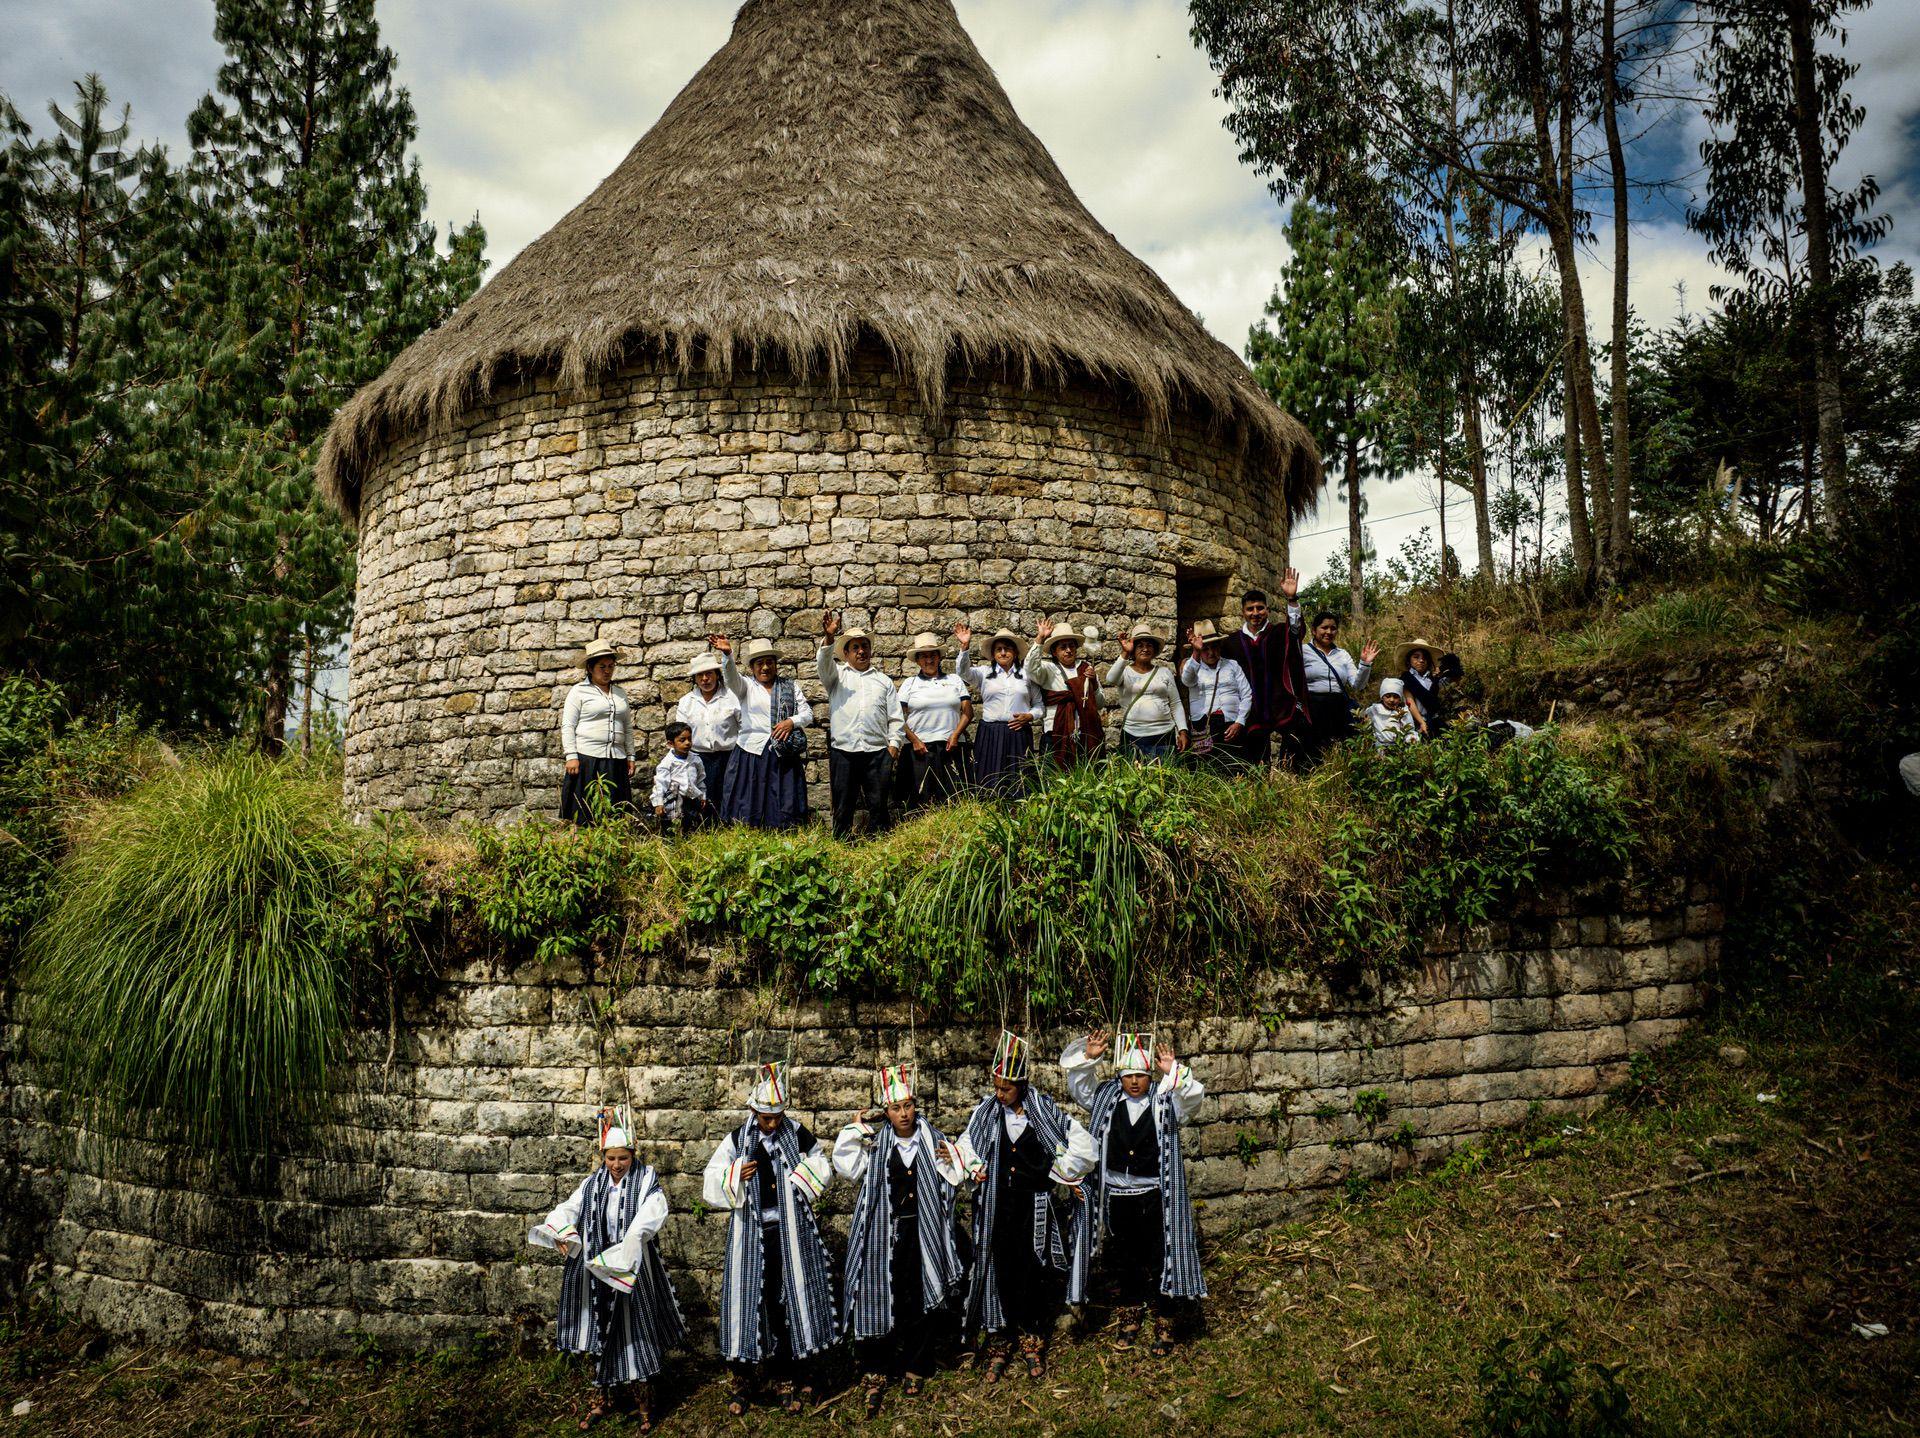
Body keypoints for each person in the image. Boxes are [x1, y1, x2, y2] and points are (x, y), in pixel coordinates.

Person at [955, 1031, 1096, 1382]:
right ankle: (1000, 1341)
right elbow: (967, 1147)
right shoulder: (986, 1113)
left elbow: (1080, 1145)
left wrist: (1063, 1176)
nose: (999, 1094)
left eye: (1006, 1089)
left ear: (1022, 1084)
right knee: (999, 1268)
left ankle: (1033, 1338)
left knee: (1033, 1269)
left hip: (1034, 1208)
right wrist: (972, 1165)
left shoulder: (1044, 1112)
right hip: (997, 1207)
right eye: (996, 1087)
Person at [531, 1111, 684, 1432]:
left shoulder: (645, 1180)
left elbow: (653, 1212)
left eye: (623, 1158)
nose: (617, 1164)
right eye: (611, 1158)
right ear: (603, 1157)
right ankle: (601, 1400)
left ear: (633, 1155)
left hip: (631, 1268)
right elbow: (569, 1209)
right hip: (595, 1269)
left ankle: (644, 1404)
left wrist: (629, 1243)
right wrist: (562, 1231)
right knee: (597, 1331)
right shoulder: (592, 1184)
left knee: (634, 1331)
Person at [702, 1063, 838, 1415]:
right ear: (754, 1111)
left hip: (790, 1234)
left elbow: (821, 1163)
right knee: (747, 1300)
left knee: (790, 1300)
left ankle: (789, 1374)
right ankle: (744, 1378)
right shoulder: (737, 1140)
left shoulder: (797, 1134)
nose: (773, 1124)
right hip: (751, 1235)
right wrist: (735, 1175)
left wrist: (804, 1174)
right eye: (766, 1118)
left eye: (777, 1116)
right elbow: (711, 1178)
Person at [833, 1065, 970, 1416]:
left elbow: (956, 1173)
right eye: (896, 1108)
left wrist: (955, 1161)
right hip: (884, 1233)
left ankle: (915, 1365)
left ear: (915, 1105)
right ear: (886, 1112)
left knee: (918, 1295)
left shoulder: (932, 1138)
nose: (904, 1114)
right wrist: (853, 1131)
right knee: (879, 1294)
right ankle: (876, 1369)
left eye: (908, 1106)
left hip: (922, 1232)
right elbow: (847, 1167)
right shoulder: (876, 1144)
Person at [1060, 1032, 1206, 1357]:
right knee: (1125, 1257)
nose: (1135, 1082)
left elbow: (1191, 1101)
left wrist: (1174, 1073)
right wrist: (1089, 1059)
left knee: (1158, 1255)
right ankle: (1130, 1314)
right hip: (1118, 1197)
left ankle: (1166, 1318)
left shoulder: (1163, 1099)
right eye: (1129, 1076)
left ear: (1149, 1076)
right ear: (1120, 1077)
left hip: (1154, 1196)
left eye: (1141, 1075)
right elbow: (1080, 1089)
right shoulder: (1107, 1099)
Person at [818, 612, 905, 839]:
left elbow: (895, 717)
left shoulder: (883, 681)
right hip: (844, 752)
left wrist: (894, 746)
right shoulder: (835, 677)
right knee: (843, 804)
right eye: (855, 647)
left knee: (879, 805)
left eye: (864, 646)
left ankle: (880, 848)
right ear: (845, 653)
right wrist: (828, 638)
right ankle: (841, 847)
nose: (861, 651)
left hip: (877, 752)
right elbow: (823, 663)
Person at [712, 635, 812, 830]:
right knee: (749, 799)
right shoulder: (745, 686)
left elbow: (807, 713)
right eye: (760, 663)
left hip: (783, 752)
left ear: (775, 664)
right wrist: (727, 654)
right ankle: (750, 835)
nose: (765, 667)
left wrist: (791, 721)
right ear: (752, 667)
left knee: (783, 798)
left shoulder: (789, 687)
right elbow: (730, 676)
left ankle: (782, 833)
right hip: (751, 752)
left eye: (769, 662)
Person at [1218, 575, 1310, 768]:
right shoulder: (1232, 642)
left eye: (1260, 608)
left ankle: (1290, 785)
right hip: (1251, 707)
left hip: (1280, 702)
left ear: (1267, 610)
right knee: (1256, 762)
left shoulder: (1279, 632)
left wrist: (1292, 599)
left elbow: (1296, 630)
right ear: (1242, 612)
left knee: (1294, 749)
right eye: (1250, 609)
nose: (1255, 613)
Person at [955, 623, 1042, 795]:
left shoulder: (1027, 676)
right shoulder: (983, 674)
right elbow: (963, 672)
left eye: (1007, 649)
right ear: (993, 654)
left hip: (1018, 732)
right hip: (991, 733)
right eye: (999, 649)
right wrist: (964, 646)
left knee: (1019, 780)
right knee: (989, 779)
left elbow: (1040, 706)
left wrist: (1030, 716)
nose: (1003, 652)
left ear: (1015, 652)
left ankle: (1019, 813)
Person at [560, 636, 635, 823]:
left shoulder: (619, 693)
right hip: (588, 759)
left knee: (615, 812)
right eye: (602, 666)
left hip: (616, 759)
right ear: (590, 668)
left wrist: (631, 756)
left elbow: (627, 726)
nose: (607, 671)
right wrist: (571, 756)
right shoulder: (578, 691)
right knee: (585, 812)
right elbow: (568, 725)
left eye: (611, 666)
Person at [895, 632, 973, 812]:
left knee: (954, 798)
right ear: (917, 660)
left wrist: (955, 735)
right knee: (919, 800)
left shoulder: (954, 680)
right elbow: (897, 716)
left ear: (939, 657)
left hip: (950, 747)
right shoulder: (910, 683)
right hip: (919, 750)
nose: (928, 660)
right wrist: (914, 740)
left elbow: (967, 712)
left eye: (932, 655)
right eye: (923, 656)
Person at [1300, 613, 1379, 766]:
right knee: (1312, 751)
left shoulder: (1343, 654)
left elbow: (1358, 685)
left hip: (1338, 708)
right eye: (1324, 627)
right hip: (1312, 707)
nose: (1329, 632)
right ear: (1314, 630)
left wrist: (1365, 664)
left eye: (1333, 628)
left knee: (1339, 748)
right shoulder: (1303, 651)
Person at [1106, 623, 1189, 761]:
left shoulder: (1164, 672)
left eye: (1149, 645)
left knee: (1165, 778)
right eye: (1140, 646)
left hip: (1164, 734)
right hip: (1134, 734)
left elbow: (1175, 703)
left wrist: (1183, 730)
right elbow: (1110, 679)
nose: (1145, 649)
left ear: (1154, 649)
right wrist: (1125, 652)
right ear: (1133, 649)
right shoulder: (1124, 672)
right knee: (1134, 779)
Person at [1028, 620, 1105, 767]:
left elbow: (1100, 703)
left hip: (1084, 734)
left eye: (1071, 646)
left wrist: (1094, 684)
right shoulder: (1047, 669)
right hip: (1055, 734)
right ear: (1054, 652)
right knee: (1055, 778)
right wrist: (1039, 639)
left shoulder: (1086, 668)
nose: (1068, 650)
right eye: (1063, 647)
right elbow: (1030, 669)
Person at [675, 651, 740, 818]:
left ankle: (729, 829)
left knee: (729, 796)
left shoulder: (731, 697)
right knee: (702, 799)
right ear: (695, 679)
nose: (705, 678)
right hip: (698, 757)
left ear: (717, 675)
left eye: (709, 673)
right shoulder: (687, 702)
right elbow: (680, 734)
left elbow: (744, 726)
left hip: (729, 757)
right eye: (700, 675)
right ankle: (705, 831)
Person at [1178, 620, 1252, 765]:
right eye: (1205, 648)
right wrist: (1196, 652)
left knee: (1232, 767)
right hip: (1203, 726)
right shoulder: (1191, 666)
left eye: (1214, 647)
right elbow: (1187, 680)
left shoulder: (1232, 665)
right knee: (1205, 768)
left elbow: (1247, 694)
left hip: (1231, 725)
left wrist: (1240, 722)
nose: (1211, 652)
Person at [649, 721, 708, 834]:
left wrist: (703, 795)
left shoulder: (696, 760)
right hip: (673, 801)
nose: (687, 743)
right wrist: (659, 802)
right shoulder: (667, 763)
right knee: (672, 827)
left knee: (691, 825)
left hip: (691, 799)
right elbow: (660, 783)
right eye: (682, 740)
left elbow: (700, 780)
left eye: (689, 739)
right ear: (671, 744)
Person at [1397, 639, 1458, 737]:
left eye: (1424, 658)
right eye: (1416, 657)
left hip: (1435, 720)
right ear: (1409, 660)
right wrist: (1421, 722)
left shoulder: (1432, 678)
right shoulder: (1406, 678)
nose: (1421, 660)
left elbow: (1448, 684)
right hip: (1417, 721)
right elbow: (1410, 702)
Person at [1365, 677, 1421, 749]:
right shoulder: (1374, 710)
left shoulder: (1403, 711)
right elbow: (1366, 722)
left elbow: (1410, 730)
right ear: (1382, 697)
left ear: (1400, 699)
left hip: (1400, 747)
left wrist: (1411, 739)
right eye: (1388, 696)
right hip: (1381, 748)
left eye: (1395, 697)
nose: (1391, 700)